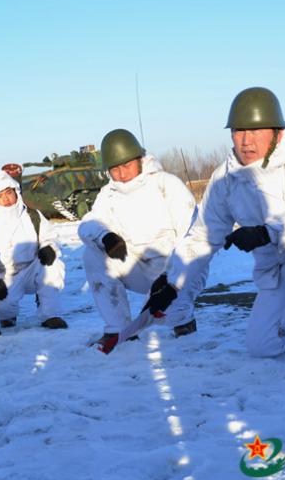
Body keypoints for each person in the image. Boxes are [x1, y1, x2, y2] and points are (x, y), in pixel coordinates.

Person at [165, 87, 285, 391]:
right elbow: (201, 238)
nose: (246, 140)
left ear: (278, 132)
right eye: (239, 131)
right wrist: (172, 285)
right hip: (279, 268)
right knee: (263, 345)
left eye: (256, 131)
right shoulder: (224, 180)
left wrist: (268, 231)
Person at [78, 129, 199, 347]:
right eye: (115, 168)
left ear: (140, 159)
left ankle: (183, 321)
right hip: (135, 267)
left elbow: (191, 234)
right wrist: (106, 237)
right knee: (92, 255)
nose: (122, 174)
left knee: (171, 311)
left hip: (171, 267)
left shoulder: (166, 184)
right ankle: (118, 328)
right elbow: (88, 223)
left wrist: (172, 277)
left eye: (126, 165)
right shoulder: (108, 194)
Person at [0, 170, 67, 330]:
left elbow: (49, 235)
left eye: (9, 192)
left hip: (33, 267)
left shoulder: (32, 215)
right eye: (0, 196)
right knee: (3, 306)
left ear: (16, 191)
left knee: (53, 267)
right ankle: (8, 317)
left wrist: (48, 247)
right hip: (5, 275)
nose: (6, 199)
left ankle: (51, 315)